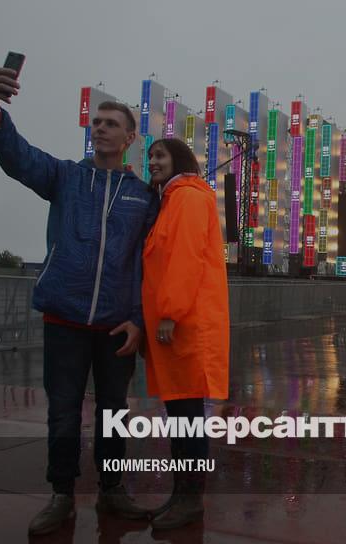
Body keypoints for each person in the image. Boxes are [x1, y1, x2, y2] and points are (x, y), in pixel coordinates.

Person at [0, 65, 158, 535]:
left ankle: (112, 489)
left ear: (129, 138)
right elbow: (17, 157)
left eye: (111, 123)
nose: (100, 128)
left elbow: (147, 266)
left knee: (114, 412)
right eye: (96, 122)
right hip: (64, 318)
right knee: (63, 410)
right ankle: (61, 493)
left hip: (117, 326)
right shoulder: (64, 177)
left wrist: (139, 319)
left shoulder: (142, 196)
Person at [141, 138, 229, 530]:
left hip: (185, 326)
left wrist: (169, 313)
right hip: (179, 327)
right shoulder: (172, 199)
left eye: (160, 155)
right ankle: (181, 495)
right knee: (180, 417)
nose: (152, 162)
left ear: (178, 159)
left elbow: (184, 259)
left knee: (188, 418)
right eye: (150, 156)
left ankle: (190, 500)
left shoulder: (189, 198)